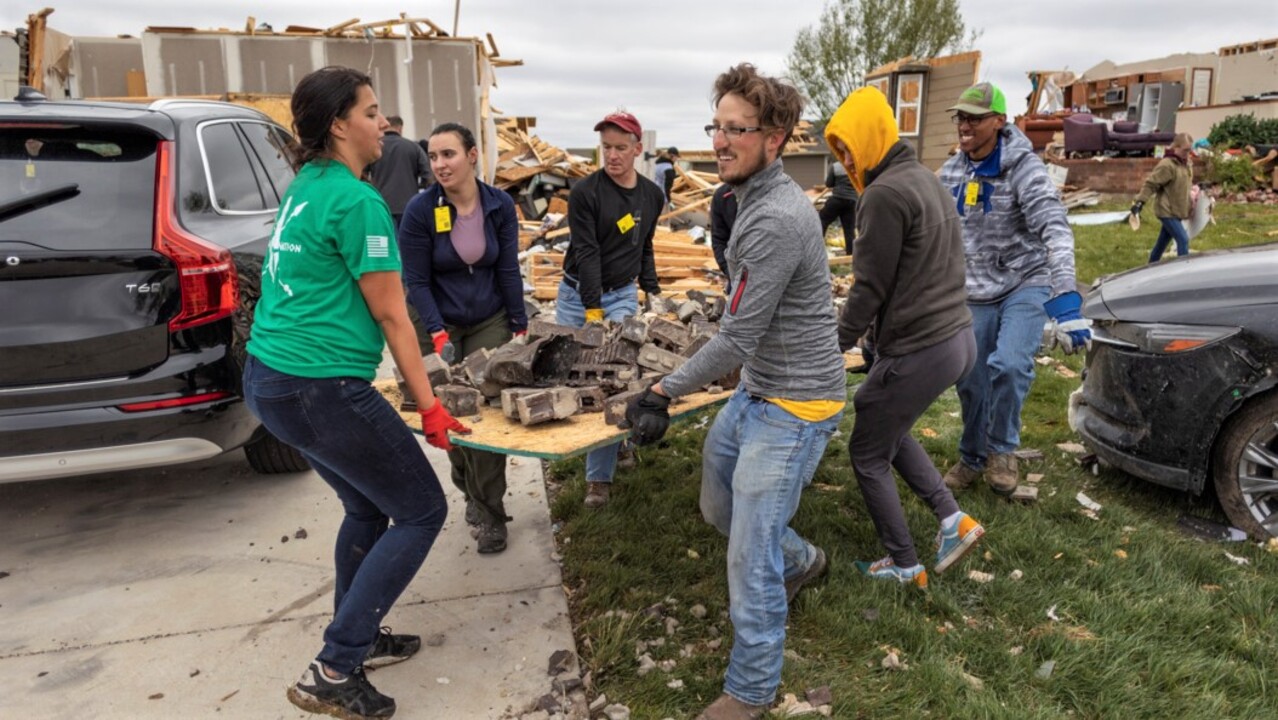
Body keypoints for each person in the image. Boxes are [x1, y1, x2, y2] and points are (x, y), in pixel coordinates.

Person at [242, 66, 469, 720]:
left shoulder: (307, 185)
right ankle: (335, 667)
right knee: (423, 509)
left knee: (369, 508)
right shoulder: (359, 201)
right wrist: (429, 406)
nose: (384, 124)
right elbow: (395, 316)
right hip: (320, 388)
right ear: (339, 124)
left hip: (270, 381)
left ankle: (359, 638)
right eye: (372, 112)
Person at [624, 63, 846, 720]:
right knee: (720, 507)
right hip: (759, 389)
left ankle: (749, 690)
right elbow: (744, 322)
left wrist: (662, 389)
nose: (720, 141)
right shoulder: (747, 200)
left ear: (775, 138)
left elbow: (737, 336)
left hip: (796, 405)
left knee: (749, 551)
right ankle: (803, 559)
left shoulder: (774, 218)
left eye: (737, 130)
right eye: (716, 126)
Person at [824, 87, 985, 588]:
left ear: (872, 136)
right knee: (885, 425)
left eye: (849, 146)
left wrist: (833, 345)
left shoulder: (883, 194)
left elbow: (870, 287)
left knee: (867, 451)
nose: (845, 159)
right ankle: (952, 519)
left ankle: (904, 563)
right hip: (958, 337)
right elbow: (906, 273)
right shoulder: (924, 179)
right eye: (839, 151)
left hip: (921, 347)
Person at [937, 82, 1091, 496]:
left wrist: (1066, 300)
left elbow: (1055, 231)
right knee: (970, 377)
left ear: (999, 121)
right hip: (976, 288)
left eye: (975, 118)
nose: (964, 125)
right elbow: (927, 226)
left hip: (1026, 280)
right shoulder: (953, 171)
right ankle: (972, 455)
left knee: (1007, 365)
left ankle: (1001, 449)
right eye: (961, 117)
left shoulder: (1024, 168)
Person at [400, 122, 528, 554]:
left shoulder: (499, 205)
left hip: (488, 317)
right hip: (438, 320)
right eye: (433, 156)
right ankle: (467, 487)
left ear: (472, 156)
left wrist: (519, 323)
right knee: (449, 415)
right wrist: (436, 331)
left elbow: (507, 267)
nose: (439, 164)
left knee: (487, 420)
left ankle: (491, 513)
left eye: (448, 154)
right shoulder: (421, 210)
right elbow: (415, 280)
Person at [558, 110, 664, 509]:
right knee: (580, 375)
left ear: (638, 149)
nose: (613, 155)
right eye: (606, 148)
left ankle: (600, 475)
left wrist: (652, 291)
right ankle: (606, 454)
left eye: (621, 148)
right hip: (576, 295)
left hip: (621, 294)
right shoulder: (586, 193)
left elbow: (645, 245)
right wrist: (591, 311)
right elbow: (587, 252)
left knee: (616, 379)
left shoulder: (652, 196)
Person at [1131, 132, 1195, 263]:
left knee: (1162, 243)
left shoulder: (1185, 164)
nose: (1187, 154)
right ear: (1176, 147)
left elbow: (1185, 185)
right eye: (1185, 150)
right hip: (1167, 210)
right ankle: (1184, 271)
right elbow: (1151, 184)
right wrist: (1139, 202)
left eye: (1189, 150)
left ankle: (1150, 266)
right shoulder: (1167, 165)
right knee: (1183, 239)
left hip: (1178, 210)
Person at [366, 115, 431, 230]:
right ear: (400, 128)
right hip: (408, 205)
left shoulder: (373, 148)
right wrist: (420, 187)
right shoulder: (414, 147)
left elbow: (362, 173)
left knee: (387, 243)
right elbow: (427, 174)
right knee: (406, 243)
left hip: (381, 205)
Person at [819, 156, 858, 254]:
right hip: (852, 201)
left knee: (821, 220)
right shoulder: (857, 167)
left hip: (837, 199)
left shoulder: (836, 167)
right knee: (849, 229)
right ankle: (851, 255)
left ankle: (817, 249)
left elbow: (829, 184)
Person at [709, 182, 737, 283]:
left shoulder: (776, 193)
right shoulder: (722, 195)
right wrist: (729, 271)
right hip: (736, 279)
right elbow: (719, 239)